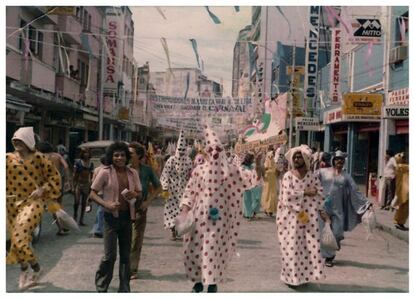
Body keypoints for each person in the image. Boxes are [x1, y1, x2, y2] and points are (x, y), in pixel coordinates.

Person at [178, 126, 261, 292]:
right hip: (199, 218)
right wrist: (185, 210)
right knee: (195, 248)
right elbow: (190, 191)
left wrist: (258, 165)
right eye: (211, 149)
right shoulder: (199, 170)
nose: (214, 151)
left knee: (214, 248)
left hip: (220, 220)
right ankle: (198, 281)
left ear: (222, 151)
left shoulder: (229, 171)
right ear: (207, 152)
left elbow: (250, 180)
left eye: (218, 148)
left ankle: (212, 282)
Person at [6, 127, 61, 289]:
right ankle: (26, 269)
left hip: (33, 202)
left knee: (19, 237)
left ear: (28, 141)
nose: (16, 142)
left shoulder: (40, 158)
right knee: (17, 241)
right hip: (10, 203)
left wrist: (42, 189)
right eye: (14, 140)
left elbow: (54, 177)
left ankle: (34, 269)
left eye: (20, 139)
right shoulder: (7, 158)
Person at [88, 141, 142, 292]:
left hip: (127, 218)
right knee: (109, 256)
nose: (120, 158)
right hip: (110, 219)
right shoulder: (105, 172)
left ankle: (124, 289)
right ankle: (101, 287)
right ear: (111, 157)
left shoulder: (133, 173)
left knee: (125, 257)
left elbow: (140, 193)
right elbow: (92, 193)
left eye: (123, 155)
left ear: (127, 157)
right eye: (116, 155)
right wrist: (107, 204)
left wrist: (135, 195)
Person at [276, 145, 325, 287]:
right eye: (295, 157)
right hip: (290, 219)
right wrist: (305, 193)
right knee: (291, 248)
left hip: (308, 219)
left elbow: (320, 192)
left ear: (305, 159)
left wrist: (315, 196)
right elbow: (287, 197)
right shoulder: (288, 176)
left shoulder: (312, 176)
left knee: (308, 247)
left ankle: (305, 277)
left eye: (299, 157)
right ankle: (291, 278)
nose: (297, 159)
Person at [318, 150, 372, 267]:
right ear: (333, 161)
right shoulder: (323, 172)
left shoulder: (346, 176)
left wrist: (366, 204)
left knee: (337, 232)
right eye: (337, 159)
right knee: (324, 231)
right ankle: (329, 257)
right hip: (323, 208)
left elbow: (355, 191)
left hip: (338, 209)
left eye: (342, 160)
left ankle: (333, 246)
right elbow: (311, 179)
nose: (339, 162)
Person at [128, 143, 162, 280]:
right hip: (124, 208)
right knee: (125, 239)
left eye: (131, 154)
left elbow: (158, 187)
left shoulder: (147, 170)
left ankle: (132, 268)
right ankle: (125, 265)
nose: (128, 156)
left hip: (140, 208)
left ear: (139, 156)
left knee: (136, 239)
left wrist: (148, 202)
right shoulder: (124, 169)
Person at [160, 131, 192, 240]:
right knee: (171, 212)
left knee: (182, 213)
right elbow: (165, 174)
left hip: (184, 191)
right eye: (180, 150)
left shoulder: (188, 161)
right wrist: (164, 187)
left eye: (183, 150)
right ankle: (173, 231)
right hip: (172, 192)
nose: (181, 152)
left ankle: (180, 230)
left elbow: (191, 176)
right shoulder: (171, 160)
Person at [36, 141, 72, 236]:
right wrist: (67, 180)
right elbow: (66, 166)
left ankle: (61, 228)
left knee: (52, 207)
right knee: (58, 206)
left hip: (46, 184)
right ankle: (62, 226)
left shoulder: (40, 157)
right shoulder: (57, 155)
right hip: (58, 183)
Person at [73, 147, 94, 225]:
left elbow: (91, 176)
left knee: (84, 203)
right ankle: (75, 217)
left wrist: (91, 186)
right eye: (85, 152)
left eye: (87, 152)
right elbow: (75, 175)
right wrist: (73, 185)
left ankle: (81, 220)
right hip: (78, 183)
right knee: (76, 202)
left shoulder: (91, 164)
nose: (86, 154)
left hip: (86, 184)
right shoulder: (78, 162)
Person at [90, 156, 108, 238]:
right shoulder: (108, 169)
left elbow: (93, 181)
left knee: (100, 210)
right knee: (101, 211)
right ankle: (98, 229)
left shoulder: (97, 169)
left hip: (97, 192)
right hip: (105, 192)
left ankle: (98, 228)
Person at [241, 152, 263, 220]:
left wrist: (258, 160)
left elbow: (257, 170)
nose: (252, 160)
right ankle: (247, 214)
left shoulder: (253, 165)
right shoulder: (243, 167)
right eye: (252, 158)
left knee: (253, 199)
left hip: (252, 185)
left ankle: (249, 213)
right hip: (245, 185)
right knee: (247, 200)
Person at [393, 152, 409, 231]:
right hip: (403, 190)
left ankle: (399, 222)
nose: (404, 159)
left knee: (403, 207)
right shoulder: (400, 167)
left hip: (404, 190)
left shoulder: (401, 167)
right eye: (403, 158)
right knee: (403, 207)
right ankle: (399, 222)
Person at [261, 149, 278, 217]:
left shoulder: (273, 162)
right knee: (267, 194)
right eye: (270, 156)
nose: (271, 157)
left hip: (271, 180)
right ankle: (267, 209)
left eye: (272, 156)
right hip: (268, 180)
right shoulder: (266, 163)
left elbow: (276, 171)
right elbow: (264, 169)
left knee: (271, 194)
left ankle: (270, 209)